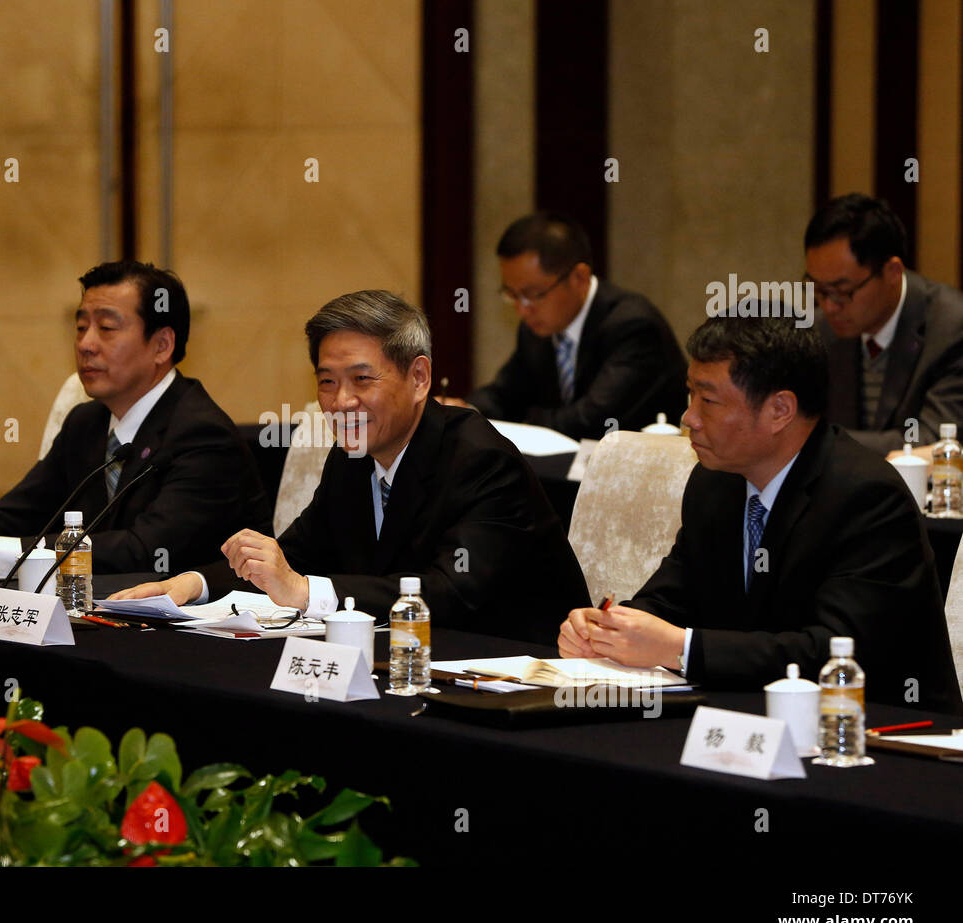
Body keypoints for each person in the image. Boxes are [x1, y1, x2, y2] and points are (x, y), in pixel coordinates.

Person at [111, 290, 590, 638]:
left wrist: (303, 593)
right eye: (326, 383)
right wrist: (189, 585)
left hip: (517, 670)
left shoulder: (480, 459)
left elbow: (449, 593)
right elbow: (297, 553)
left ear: (419, 377)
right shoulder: (351, 459)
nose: (341, 403)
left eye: (362, 379)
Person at [558, 311, 963, 714]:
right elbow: (671, 596)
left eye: (709, 400)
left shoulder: (866, 495)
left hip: (885, 731)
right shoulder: (714, 482)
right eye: (690, 395)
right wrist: (607, 628)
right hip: (751, 714)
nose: (689, 418)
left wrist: (679, 647)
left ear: (780, 410)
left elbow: (836, 649)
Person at [0, 260, 270, 576]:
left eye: (106, 328)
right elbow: (19, 513)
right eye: (80, 326)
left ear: (161, 345)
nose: (86, 344)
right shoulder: (85, 423)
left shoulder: (202, 434)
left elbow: (144, 550)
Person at [448, 212, 686, 439]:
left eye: (534, 294)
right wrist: (465, 410)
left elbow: (592, 419)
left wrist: (520, 424)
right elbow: (507, 392)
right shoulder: (536, 327)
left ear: (579, 278)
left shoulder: (633, 326)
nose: (522, 309)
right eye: (512, 295)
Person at [806, 193, 963, 456]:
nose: (829, 306)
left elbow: (935, 442)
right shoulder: (820, 328)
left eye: (842, 291)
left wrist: (818, 442)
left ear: (892, 272)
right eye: (818, 289)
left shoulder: (951, 327)